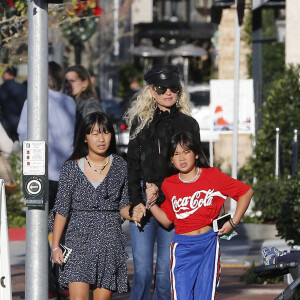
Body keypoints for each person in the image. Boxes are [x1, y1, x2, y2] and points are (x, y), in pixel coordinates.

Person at [123, 64, 201, 300]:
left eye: (173, 88)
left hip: (175, 205)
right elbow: (132, 166)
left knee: (167, 278)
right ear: (152, 91)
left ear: (180, 91)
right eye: (162, 88)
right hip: (145, 205)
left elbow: (198, 166)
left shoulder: (190, 125)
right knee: (143, 274)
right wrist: (136, 202)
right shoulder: (140, 122)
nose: (168, 93)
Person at [145, 131, 253, 300]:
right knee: (181, 296)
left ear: (196, 153)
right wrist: (150, 203)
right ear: (171, 160)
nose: (182, 158)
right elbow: (167, 221)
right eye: (176, 154)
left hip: (209, 244)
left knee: (205, 296)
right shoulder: (169, 184)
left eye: (186, 152)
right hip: (182, 248)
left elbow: (246, 192)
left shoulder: (213, 176)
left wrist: (233, 222)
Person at [49, 112, 144, 300]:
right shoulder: (70, 168)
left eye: (106, 133)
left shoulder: (120, 166)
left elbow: (123, 205)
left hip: (109, 242)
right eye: (94, 133)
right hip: (77, 243)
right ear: (85, 137)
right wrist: (55, 246)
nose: (101, 139)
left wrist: (133, 213)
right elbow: (62, 209)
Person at [17, 61, 76, 299]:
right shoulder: (69, 102)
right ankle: (61, 277)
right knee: (63, 229)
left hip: (39, 174)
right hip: (64, 173)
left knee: (39, 229)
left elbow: (23, 133)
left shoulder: (32, 101)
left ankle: (44, 281)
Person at [64, 65, 103, 134]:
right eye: (66, 81)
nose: (68, 85)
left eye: (72, 81)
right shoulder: (72, 104)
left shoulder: (90, 105)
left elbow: (95, 134)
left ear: (85, 83)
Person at [0, 66, 27, 141]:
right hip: (22, 123)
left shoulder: (2, 88)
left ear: (6, 74)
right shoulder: (23, 88)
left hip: (6, 123)